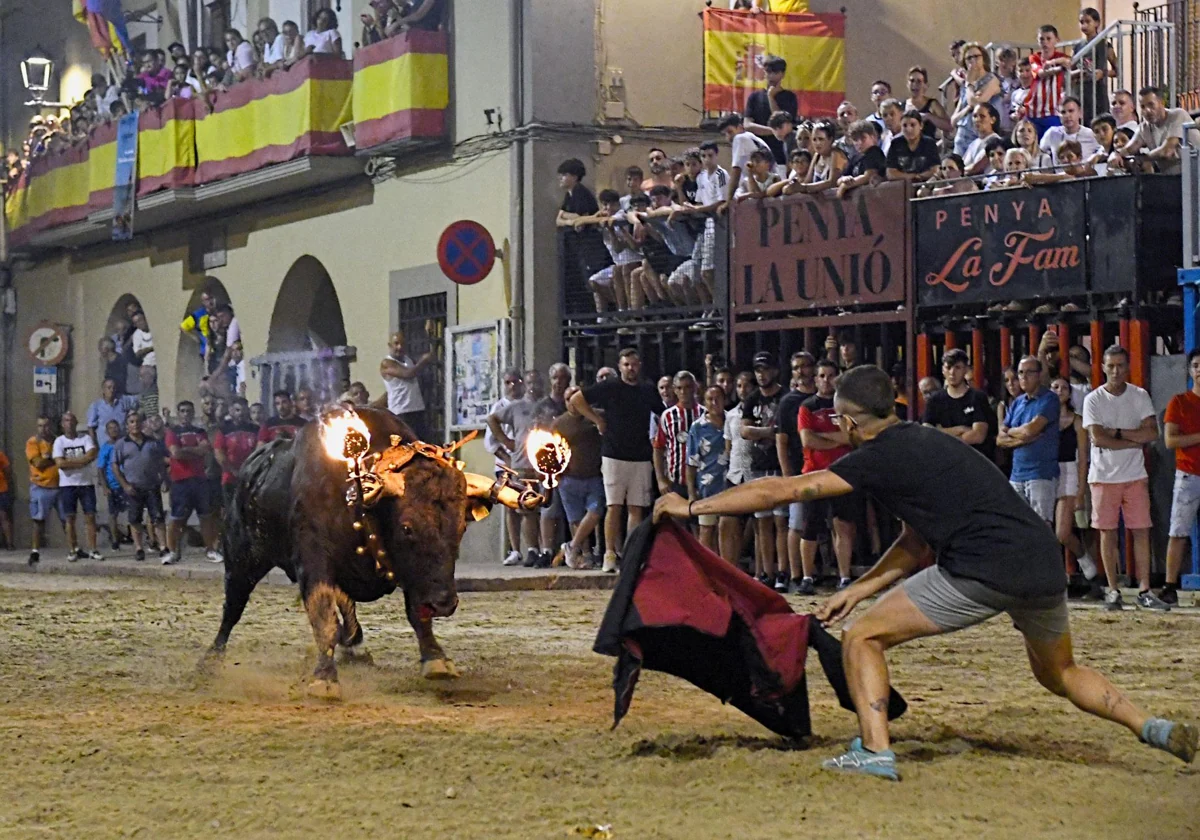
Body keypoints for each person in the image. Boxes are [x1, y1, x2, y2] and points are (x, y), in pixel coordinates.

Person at [654, 364, 1199, 780]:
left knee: (862, 637)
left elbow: (789, 487)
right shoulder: (923, 440)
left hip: (985, 567)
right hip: (1038, 561)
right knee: (1059, 673)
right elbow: (916, 544)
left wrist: (693, 508)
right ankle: (1150, 726)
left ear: (848, 422)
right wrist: (863, 586)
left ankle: (874, 750)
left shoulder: (877, 456)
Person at [1082, 346, 1169, 611]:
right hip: (1103, 475)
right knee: (1107, 533)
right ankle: (1113, 589)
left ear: (1127, 367)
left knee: (1141, 530)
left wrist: (1117, 434)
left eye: (1120, 365)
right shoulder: (1093, 400)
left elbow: (1152, 433)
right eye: (1111, 366)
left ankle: (1144, 588)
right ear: (1104, 367)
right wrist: (1132, 438)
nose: (1116, 371)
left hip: (1134, 474)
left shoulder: (1139, 395)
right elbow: (1097, 437)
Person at [569, 348, 663, 573]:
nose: (631, 369)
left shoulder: (647, 390)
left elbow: (662, 413)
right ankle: (609, 553)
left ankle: (631, 554)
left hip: (640, 454)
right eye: (626, 365)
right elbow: (577, 399)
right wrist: (596, 419)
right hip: (613, 453)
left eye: (634, 364)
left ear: (639, 366)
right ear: (620, 367)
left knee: (636, 508)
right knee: (614, 506)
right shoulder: (609, 387)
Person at [796, 358, 858, 594]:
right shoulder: (807, 406)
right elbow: (807, 440)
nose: (826, 380)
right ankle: (807, 577)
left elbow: (852, 437)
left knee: (842, 524)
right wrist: (835, 436)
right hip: (814, 474)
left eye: (830, 375)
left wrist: (826, 437)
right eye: (821, 375)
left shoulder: (846, 406)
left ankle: (844, 577)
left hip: (843, 472)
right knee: (810, 526)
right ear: (815, 379)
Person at [487, 369, 548, 567]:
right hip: (522, 465)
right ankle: (530, 550)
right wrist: (508, 443)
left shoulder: (549, 406)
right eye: (529, 383)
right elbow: (492, 421)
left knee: (547, 509)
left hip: (547, 466)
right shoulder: (514, 407)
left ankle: (547, 550)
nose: (532, 387)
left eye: (535, 382)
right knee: (526, 509)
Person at [742, 351, 789, 590]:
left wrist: (758, 431)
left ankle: (782, 571)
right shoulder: (751, 399)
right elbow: (744, 431)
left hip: (780, 464)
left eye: (765, 370)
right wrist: (769, 432)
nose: (762, 375)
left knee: (781, 522)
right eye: (758, 370)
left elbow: (755, 430)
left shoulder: (785, 397)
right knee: (762, 524)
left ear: (775, 371)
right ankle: (768, 573)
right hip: (758, 465)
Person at [997, 356, 1059, 525]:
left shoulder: (1049, 399)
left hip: (1040, 473)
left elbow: (1031, 430)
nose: (1023, 377)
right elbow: (1000, 440)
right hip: (1016, 474)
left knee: (1042, 526)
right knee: (1018, 527)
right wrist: (1021, 438)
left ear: (1039, 375)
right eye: (1021, 373)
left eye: (1029, 372)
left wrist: (1012, 431)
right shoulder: (1017, 402)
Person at [1049, 376, 1098, 585]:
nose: (1059, 391)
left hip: (1068, 470)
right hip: (1046, 471)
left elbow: (1083, 456)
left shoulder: (1077, 420)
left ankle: (1085, 560)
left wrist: (1080, 489)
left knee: (1062, 531)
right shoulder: (1044, 418)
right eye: (1055, 387)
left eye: (1064, 388)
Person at [553, 385, 606, 570]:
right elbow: (549, 450)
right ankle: (584, 554)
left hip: (593, 475)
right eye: (568, 399)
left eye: (576, 397)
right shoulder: (559, 423)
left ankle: (572, 546)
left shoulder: (596, 416)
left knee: (595, 511)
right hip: (569, 478)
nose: (573, 403)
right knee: (575, 519)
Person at [164, 401, 223, 566]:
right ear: (178, 413)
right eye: (182, 411)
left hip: (199, 479)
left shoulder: (200, 431)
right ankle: (172, 551)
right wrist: (194, 451)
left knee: (206, 517)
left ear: (192, 413)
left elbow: (205, 449)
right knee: (176, 518)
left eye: (188, 411)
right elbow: (175, 453)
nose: (185, 414)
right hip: (180, 481)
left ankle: (210, 550)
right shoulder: (172, 432)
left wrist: (186, 450)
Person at [1162, 349, 1200, 605]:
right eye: (1196, 365)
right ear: (1189, 370)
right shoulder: (1179, 402)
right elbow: (1170, 440)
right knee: (1178, 531)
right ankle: (1170, 585)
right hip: (1188, 474)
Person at [113, 410, 169, 562]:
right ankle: (139, 548)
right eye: (131, 422)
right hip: (133, 486)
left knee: (157, 517)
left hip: (151, 485)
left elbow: (160, 462)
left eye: (138, 421)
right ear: (127, 426)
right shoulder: (121, 444)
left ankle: (164, 547)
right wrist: (124, 485)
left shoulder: (152, 442)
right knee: (135, 519)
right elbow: (115, 466)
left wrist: (164, 479)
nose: (135, 424)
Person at [485, 369, 525, 566]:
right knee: (511, 506)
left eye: (515, 382)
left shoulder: (528, 405)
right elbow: (490, 442)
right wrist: (507, 457)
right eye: (508, 382)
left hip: (527, 463)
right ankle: (515, 549)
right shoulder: (498, 407)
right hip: (506, 464)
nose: (512, 386)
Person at [922, 349, 993, 460]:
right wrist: (962, 428)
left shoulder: (977, 397)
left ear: (965, 370)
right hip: (945, 462)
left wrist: (941, 432)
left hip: (975, 461)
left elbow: (978, 436)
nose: (952, 373)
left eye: (957, 367)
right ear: (943, 370)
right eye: (948, 368)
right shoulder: (935, 400)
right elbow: (927, 432)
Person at [1110, 85, 1197, 175]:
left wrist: (1141, 159)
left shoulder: (1178, 115)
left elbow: (1166, 151)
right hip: (1176, 180)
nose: (1147, 110)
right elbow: (1128, 149)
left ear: (1161, 103)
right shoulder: (1144, 128)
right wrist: (1116, 154)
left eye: (1151, 105)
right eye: (1143, 107)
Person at [53, 411, 102, 562]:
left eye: (72, 420)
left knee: (90, 516)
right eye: (66, 421)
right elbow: (60, 463)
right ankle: (72, 550)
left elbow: (92, 455)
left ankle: (93, 549)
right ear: (62, 424)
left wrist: (71, 462)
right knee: (70, 518)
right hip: (68, 485)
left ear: (75, 422)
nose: (69, 423)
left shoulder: (85, 438)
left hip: (86, 484)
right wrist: (81, 461)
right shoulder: (59, 442)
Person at [654, 371, 704, 498]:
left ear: (695, 388)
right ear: (674, 390)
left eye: (687, 387)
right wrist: (660, 479)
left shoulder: (706, 413)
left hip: (704, 479)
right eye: (679, 388)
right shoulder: (668, 415)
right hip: (676, 481)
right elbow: (658, 448)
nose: (683, 391)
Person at [743, 55, 798, 165]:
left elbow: (781, 123)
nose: (771, 76)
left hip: (781, 154)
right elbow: (747, 125)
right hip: (759, 151)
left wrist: (771, 97)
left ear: (782, 74)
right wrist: (774, 131)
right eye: (768, 72)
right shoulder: (754, 97)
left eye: (775, 72)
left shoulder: (789, 97)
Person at [950, 42, 1002, 158]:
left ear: (983, 58)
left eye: (976, 56)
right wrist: (968, 108)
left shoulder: (991, 79)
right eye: (969, 58)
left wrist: (969, 84)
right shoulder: (966, 86)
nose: (973, 60)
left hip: (980, 136)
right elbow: (953, 120)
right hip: (962, 136)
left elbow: (977, 103)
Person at [378, 332, 433, 439]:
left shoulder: (408, 360)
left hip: (416, 410)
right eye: (396, 344)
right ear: (390, 346)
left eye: (402, 344)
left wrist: (429, 335)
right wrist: (423, 360)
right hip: (401, 412)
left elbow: (428, 356)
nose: (400, 347)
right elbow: (408, 374)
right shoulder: (387, 363)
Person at [26, 416, 63, 566]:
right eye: (40, 426)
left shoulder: (58, 441)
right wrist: (56, 459)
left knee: (67, 518)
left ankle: (74, 549)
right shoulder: (33, 442)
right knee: (38, 520)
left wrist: (49, 458)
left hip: (60, 485)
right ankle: (35, 551)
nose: (43, 429)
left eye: (46, 425)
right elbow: (38, 463)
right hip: (40, 486)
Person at [213, 398, 260, 509]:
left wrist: (250, 471)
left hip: (250, 478)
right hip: (230, 478)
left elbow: (260, 450)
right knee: (231, 513)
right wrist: (233, 471)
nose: (241, 414)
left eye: (244, 411)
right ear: (231, 411)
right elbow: (219, 453)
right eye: (238, 410)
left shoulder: (256, 429)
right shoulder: (224, 430)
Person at [1027, 25, 1071, 138]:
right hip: (1034, 112)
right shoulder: (1034, 58)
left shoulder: (1062, 57)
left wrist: (1052, 62)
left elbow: (1070, 61)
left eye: (1048, 38)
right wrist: (1060, 67)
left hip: (1053, 112)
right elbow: (1041, 73)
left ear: (1057, 40)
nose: (1045, 42)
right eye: (1042, 39)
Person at [96, 419, 128, 552]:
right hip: (113, 484)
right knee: (113, 513)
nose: (114, 430)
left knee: (133, 511)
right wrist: (105, 486)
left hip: (128, 483)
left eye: (116, 427)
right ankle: (115, 540)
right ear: (107, 431)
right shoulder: (105, 447)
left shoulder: (125, 443)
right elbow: (100, 468)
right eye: (111, 428)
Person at [1040, 97, 1101, 166]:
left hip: (1084, 175)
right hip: (1058, 175)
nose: (1067, 115)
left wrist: (1097, 156)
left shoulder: (1090, 134)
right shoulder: (1052, 133)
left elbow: (1104, 150)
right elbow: (1039, 152)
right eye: (1063, 112)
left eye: (1071, 111)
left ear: (1080, 113)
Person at [835, 121, 887, 198]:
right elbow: (839, 180)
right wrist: (843, 179)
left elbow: (869, 175)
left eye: (863, 138)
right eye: (855, 139)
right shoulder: (855, 157)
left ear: (873, 137)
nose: (859, 142)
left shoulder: (874, 151)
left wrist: (846, 185)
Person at [885, 109, 940, 182]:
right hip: (903, 186)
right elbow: (890, 173)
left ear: (921, 126)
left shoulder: (929, 143)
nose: (909, 129)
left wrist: (919, 177)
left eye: (912, 125)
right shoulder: (896, 144)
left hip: (926, 184)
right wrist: (912, 176)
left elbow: (935, 170)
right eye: (905, 125)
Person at [87, 378, 140, 442]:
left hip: (122, 442)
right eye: (109, 388)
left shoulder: (122, 400)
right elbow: (91, 427)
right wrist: (93, 444)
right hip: (105, 443)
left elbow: (139, 400)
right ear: (103, 390)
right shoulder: (96, 406)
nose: (112, 390)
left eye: (114, 388)